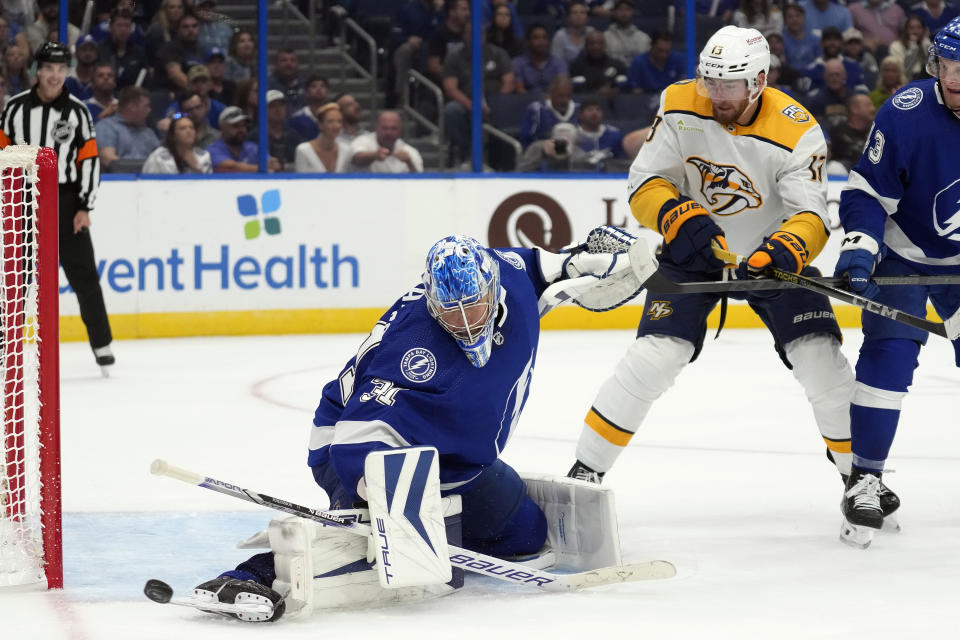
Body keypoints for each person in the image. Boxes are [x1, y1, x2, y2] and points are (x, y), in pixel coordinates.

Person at [188, 230, 642, 619]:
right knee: (387, 551)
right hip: (357, 450)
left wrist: (577, 259)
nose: (464, 322)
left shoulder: (510, 273)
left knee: (525, 535)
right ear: (430, 300)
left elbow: (535, 263)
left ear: (494, 286)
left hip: (454, 455)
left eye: (474, 306)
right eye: (449, 311)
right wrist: (383, 499)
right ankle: (254, 573)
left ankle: (445, 528)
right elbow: (356, 433)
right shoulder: (415, 350)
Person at [564, 26, 900, 525]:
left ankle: (859, 477)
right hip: (695, 251)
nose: (716, 94)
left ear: (759, 80)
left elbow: (811, 217)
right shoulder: (680, 102)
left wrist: (783, 249)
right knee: (653, 358)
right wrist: (679, 217)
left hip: (773, 258)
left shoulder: (797, 129)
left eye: (729, 84)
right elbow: (644, 183)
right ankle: (584, 472)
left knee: (820, 360)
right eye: (710, 82)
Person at [831, 16, 960, 547]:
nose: (955, 78)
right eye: (949, 66)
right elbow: (866, 192)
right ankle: (865, 478)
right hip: (904, 255)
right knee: (888, 358)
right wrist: (860, 249)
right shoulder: (906, 113)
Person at [0, 42, 115, 373]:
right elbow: (3, 156)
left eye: (60, 69)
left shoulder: (77, 111)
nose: (54, 75)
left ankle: (102, 345)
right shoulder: (14, 108)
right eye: (48, 68)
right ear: (38, 70)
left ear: (67, 72)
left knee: (84, 276)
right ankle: (6, 345)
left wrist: (84, 206)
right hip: (23, 198)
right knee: (14, 275)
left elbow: (89, 160)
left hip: (65, 201)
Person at [441, 27, 515, 166]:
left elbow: (509, 82)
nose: (476, 37)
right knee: (451, 110)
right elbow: (450, 88)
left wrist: (497, 103)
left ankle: (500, 160)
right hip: (466, 103)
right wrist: (471, 106)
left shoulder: (498, 53)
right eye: (471, 33)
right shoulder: (454, 57)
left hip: (494, 101)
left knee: (507, 110)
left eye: (480, 33)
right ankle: (466, 154)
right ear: (464, 35)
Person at [95, 86, 160, 169]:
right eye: (146, 106)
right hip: (119, 179)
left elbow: (161, 160)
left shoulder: (148, 132)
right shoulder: (106, 127)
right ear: (132, 107)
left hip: (150, 179)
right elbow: (108, 160)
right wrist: (148, 166)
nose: (149, 110)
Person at [207, 106, 280, 172]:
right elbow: (231, 168)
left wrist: (273, 164)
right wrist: (263, 168)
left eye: (243, 125)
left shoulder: (253, 148)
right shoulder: (212, 150)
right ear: (222, 128)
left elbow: (274, 165)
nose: (241, 130)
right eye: (235, 125)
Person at [349, 110, 423, 173]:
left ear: (401, 130)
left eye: (393, 128)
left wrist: (409, 163)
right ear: (376, 127)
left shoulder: (410, 152)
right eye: (384, 128)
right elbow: (355, 158)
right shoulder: (363, 141)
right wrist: (374, 155)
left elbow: (420, 182)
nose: (388, 132)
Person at [141, 111, 213, 174]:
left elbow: (208, 184)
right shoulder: (159, 157)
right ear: (173, 135)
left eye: (191, 127)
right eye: (182, 128)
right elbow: (148, 182)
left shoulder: (204, 156)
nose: (189, 131)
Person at [519, 74, 578, 147]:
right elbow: (526, 140)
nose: (565, 100)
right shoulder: (536, 110)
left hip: (574, 155)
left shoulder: (578, 109)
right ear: (550, 94)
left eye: (568, 96)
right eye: (561, 96)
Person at [97, 7, 148, 91]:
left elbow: (146, 81)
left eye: (127, 25)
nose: (123, 29)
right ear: (110, 27)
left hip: (131, 98)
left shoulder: (139, 52)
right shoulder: (100, 49)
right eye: (119, 25)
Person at [512, 23, 568, 95]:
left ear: (549, 41)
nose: (541, 41)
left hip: (553, 103)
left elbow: (563, 88)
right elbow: (519, 90)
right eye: (536, 38)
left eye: (544, 38)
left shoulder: (559, 63)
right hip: (525, 102)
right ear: (528, 41)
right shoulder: (518, 63)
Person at [294, 102, 351, 173]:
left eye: (339, 121)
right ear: (320, 125)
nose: (336, 126)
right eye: (330, 121)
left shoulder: (346, 150)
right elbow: (300, 181)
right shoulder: (303, 150)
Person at [570, 31, 628, 96]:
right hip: (586, 104)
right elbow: (576, 93)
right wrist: (598, 93)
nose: (596, 47)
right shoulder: (577, 67)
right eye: (592, 43)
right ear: (585, 46)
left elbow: (626, 89)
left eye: (600, 43)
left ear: (605, 46)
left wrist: (616, 91)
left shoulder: (618, 65)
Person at [828, 92, 875, 171]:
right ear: (854, 109)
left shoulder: (876, 133)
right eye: (868, 105)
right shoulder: (837, 133)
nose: (873, 109)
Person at [603, 0, 651, 67]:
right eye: (620, 9)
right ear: (614, 12)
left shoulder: (644, 38)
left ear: (633, 12)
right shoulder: (605, 37)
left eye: (628, 9)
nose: (624, 13)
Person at [888, 15, 931, 80]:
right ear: (906, 30)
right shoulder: (896, 46)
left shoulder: (926, 43)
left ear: (924, 30)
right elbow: (905, 69)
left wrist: (926, 45)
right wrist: (913, 46)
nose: (915, 31)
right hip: (907, 79)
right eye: (911, 28)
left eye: (919, 28)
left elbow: (932, 67)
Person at [782, 3, 822, 71]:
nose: (794, 19)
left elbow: (820, 63)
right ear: (785, 20)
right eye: (790, 16)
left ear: (804, 17)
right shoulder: (780, 41)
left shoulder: (816, 40)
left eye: (798, 15)